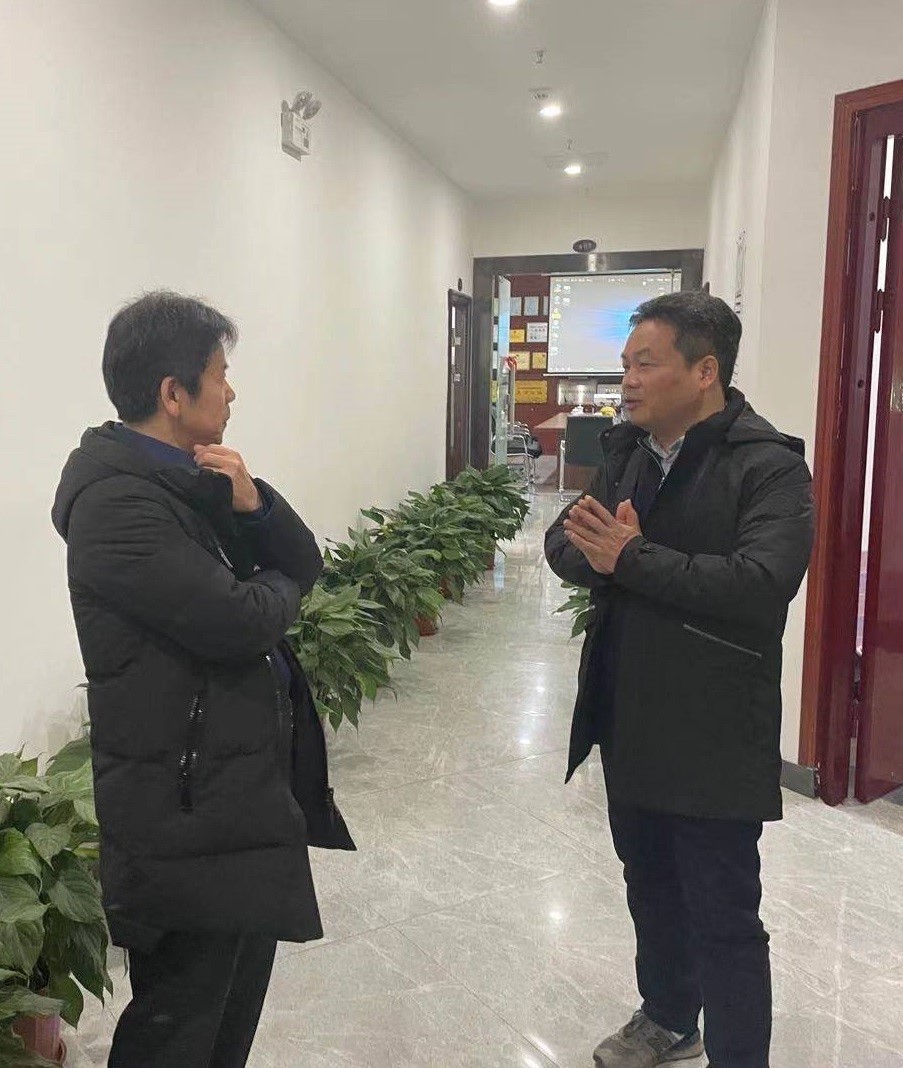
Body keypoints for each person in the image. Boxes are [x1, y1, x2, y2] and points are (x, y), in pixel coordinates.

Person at [52, 291, 354, 1068]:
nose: (231, 390)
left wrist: (254, 505)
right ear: (172, 393)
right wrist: (275, 586)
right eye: (220, 374)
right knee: (178, 1026)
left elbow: (304, 563)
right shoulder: (116, 505)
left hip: (233, 792)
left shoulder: (189, 478)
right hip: (181, 810)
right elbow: (242, 621)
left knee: (228, 1013)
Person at [545, 292, 813, 1068]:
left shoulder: (768, 466)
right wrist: (606, 556)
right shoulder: (628, 452)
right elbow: (565, 543)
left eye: (645, 363)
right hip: (630, 712)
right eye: (624, 364)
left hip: (714, 725)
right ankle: (667, 1017)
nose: (626, 380)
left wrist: (629, 558)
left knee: (723, 914)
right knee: (650, 884)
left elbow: (759, 583)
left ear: (704, 371)